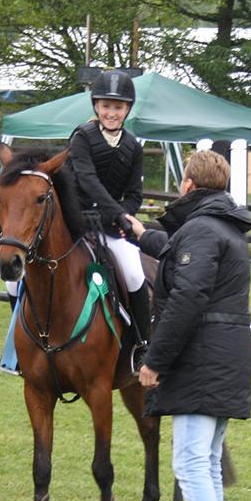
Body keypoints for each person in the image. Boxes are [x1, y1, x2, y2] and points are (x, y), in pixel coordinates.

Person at [125, 149, 251, 501]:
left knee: (192, 464)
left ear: (189, 185)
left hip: (202, 358)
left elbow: (186, 298)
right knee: (208, 465)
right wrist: (143, 235)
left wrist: (155, 361)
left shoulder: (200, 229)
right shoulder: (222, 227)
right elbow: (184, 256)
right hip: (223, 356)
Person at [69, 69, 151, 351]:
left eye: (118, 107)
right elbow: (88, 181)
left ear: (127, 109)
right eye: (106, 106)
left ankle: (142, 346)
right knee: (21, 278)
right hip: (75, 222)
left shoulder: (133, 146)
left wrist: (123, 217)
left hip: (109, 227)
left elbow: (135, 194)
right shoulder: (81, 136)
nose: (111, 113)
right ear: (96, 106)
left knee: (133, 273)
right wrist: (118, 214)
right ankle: (19, 349)